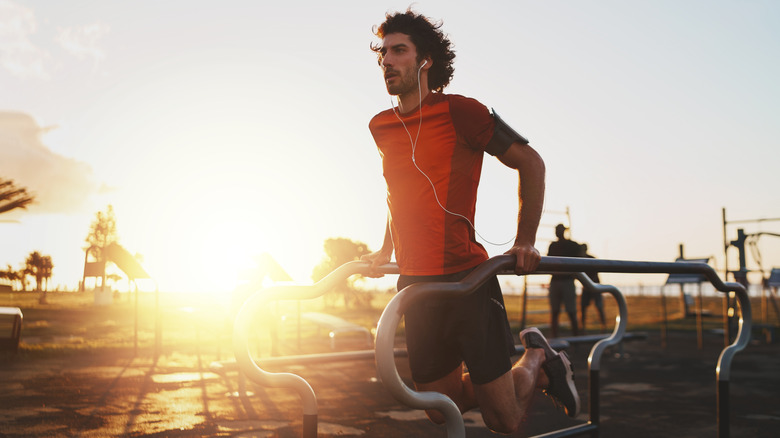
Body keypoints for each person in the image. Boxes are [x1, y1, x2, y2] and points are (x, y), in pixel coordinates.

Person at [360, 9, 579, 434]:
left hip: (467, 282)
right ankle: (546, 369)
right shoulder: (381, 126)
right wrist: (386, 248)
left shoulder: (463, 112)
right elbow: (398, 193)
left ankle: (536, 359)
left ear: (425, 61)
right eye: (382, 52)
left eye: (398, 50)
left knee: (505, 419)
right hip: (416, 287)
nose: (386, 60)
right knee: (439, 407)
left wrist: (526, 240)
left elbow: (531, 163)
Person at [547, 224, 581, 338]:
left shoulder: (571, 245)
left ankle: (576, 337)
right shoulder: (554, 245)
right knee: (556, 312)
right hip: (559, 281)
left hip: (566, 281)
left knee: (570, 311)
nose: (557, 232)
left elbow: (580, 257)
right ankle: (556, 337)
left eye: (558, 230)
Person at [579, 243, 607, 332]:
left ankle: (603, 326)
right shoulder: (584, 259)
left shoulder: (588, 259)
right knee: (584, 307)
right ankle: (583, 327)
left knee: (598, 307)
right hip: (588, 286)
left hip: (593, 285)